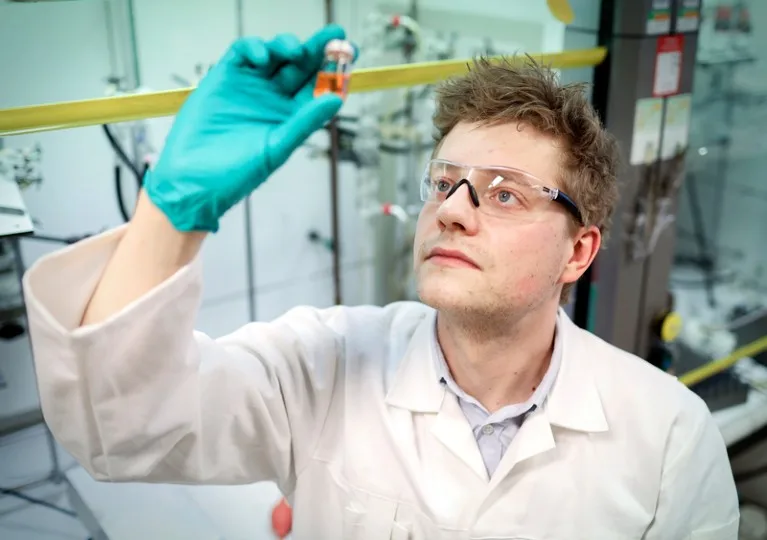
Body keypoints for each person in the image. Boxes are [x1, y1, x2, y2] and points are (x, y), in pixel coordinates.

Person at [22, 24, 739, 539]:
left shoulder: (668, 436)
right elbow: (117, 432)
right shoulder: (323, 361)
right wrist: (169, 211)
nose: (452, 211)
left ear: (578, 251)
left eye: (504, 193)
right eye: (445, 184)